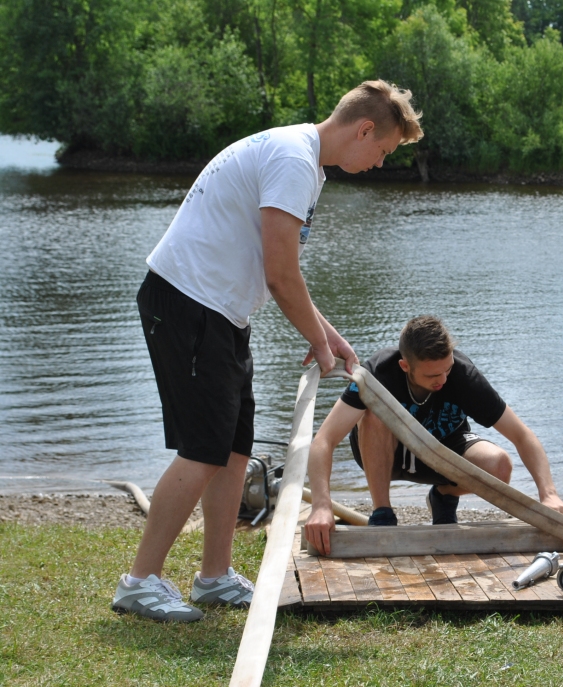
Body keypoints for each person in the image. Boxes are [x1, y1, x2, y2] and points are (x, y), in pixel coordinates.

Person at [111, 81, 424, 622]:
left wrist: (326, 334)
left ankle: (214, 576)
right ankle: (139, 582)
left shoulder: (306, 162)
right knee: (202, 450)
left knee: (234, 449)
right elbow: (280, 274)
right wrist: (319, 344)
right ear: (364, 129)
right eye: (383, 150)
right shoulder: (293, 160)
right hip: (188, 303)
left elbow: (279, 268)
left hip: (221, 312)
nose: (379, 163)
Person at [304, 315, 563, 555]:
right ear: (405, 366)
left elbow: (522, 435)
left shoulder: (463, 376)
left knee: (500, 466)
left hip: (443, 452)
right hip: (385, 452)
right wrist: (321, 505)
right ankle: (382, 512)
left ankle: (443, 496)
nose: (443, 379)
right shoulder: (379, 372)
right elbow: (324, 440)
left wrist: (548, 494)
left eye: (447, 369)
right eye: (433, 375)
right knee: (374, 414)